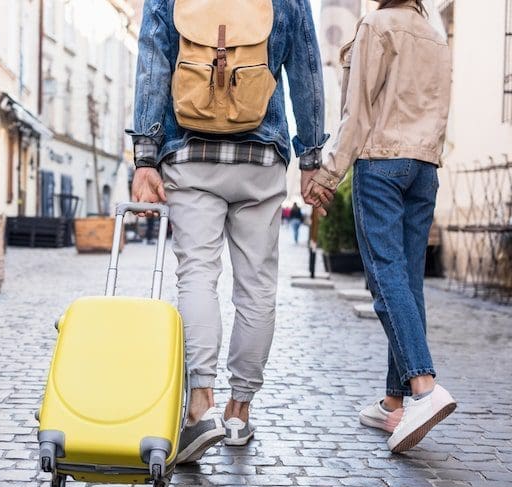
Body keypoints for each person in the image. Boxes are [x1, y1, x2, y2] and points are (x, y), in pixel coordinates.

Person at [128, 0, 327, 463]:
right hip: (261, 154)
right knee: (257, 285)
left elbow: (153, 64)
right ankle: (239, 411)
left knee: (197, 274)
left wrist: (144, 155)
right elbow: (307, 69)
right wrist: (312, 156)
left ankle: (201, 406)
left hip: (189, 151)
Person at [304, 0, 456, 453]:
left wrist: (327, 175)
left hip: (383, 163)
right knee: (408, 281)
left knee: (386, 276)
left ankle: (425, 389)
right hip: (424, 167)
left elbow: (357, 115)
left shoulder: (376, 25)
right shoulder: (436, 35)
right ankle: (396, 402)